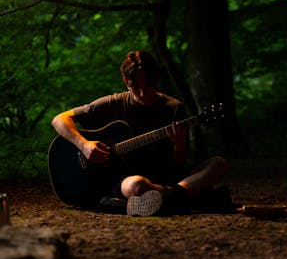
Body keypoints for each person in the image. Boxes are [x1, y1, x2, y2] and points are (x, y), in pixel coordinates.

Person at [51, 50, 231, 216]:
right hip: (131, 180)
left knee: (218, 164)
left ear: (157, 80)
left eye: (149, 85)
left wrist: (179, 144)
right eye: (135, 86)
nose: (143, 93)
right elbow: (59, 119)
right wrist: (84, 145)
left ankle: (165, 199)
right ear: (125, 81)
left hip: (166, 178)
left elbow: (178, 163)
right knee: (136, 185)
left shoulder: (173, 109)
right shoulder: (114, 103)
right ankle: (188, 198)